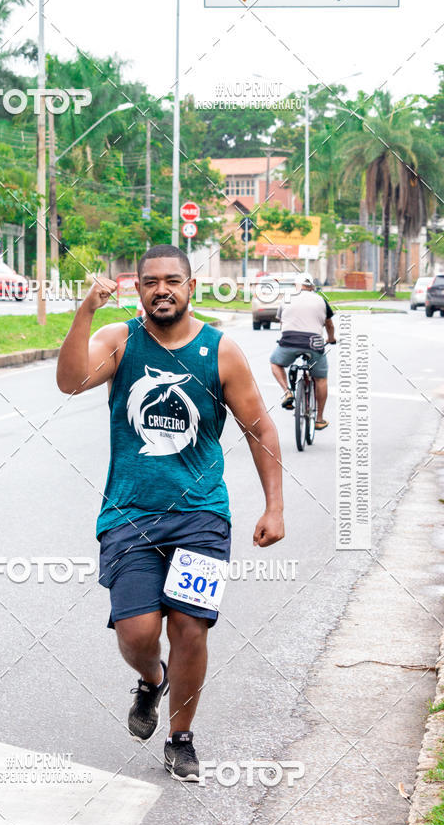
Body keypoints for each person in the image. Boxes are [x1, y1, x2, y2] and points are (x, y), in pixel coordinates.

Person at [56, 244, 284, 782]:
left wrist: (274, 507)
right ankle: (152, 679)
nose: (162, 290)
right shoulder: (120, 340)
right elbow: (70, 381)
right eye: (151, 281)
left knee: (190, 628)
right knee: (136, 633)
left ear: (190, 287)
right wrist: (85, 310)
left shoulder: (220, 351)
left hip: (202, 515)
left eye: (172, 281)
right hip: (128, 514)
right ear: (138, 288)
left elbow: (259, 428)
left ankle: (181, 738)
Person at [269, 276, 336, 430]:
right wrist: (331, 339)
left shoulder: (286, 299)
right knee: (321, 379)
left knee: (275, 362)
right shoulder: (321, 300)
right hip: (314, 343)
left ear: (296, 285)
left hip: (289, 340)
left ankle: (287, 392)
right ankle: (319, 419)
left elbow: (282, 324)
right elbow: (329, 325)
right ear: (311, 287)